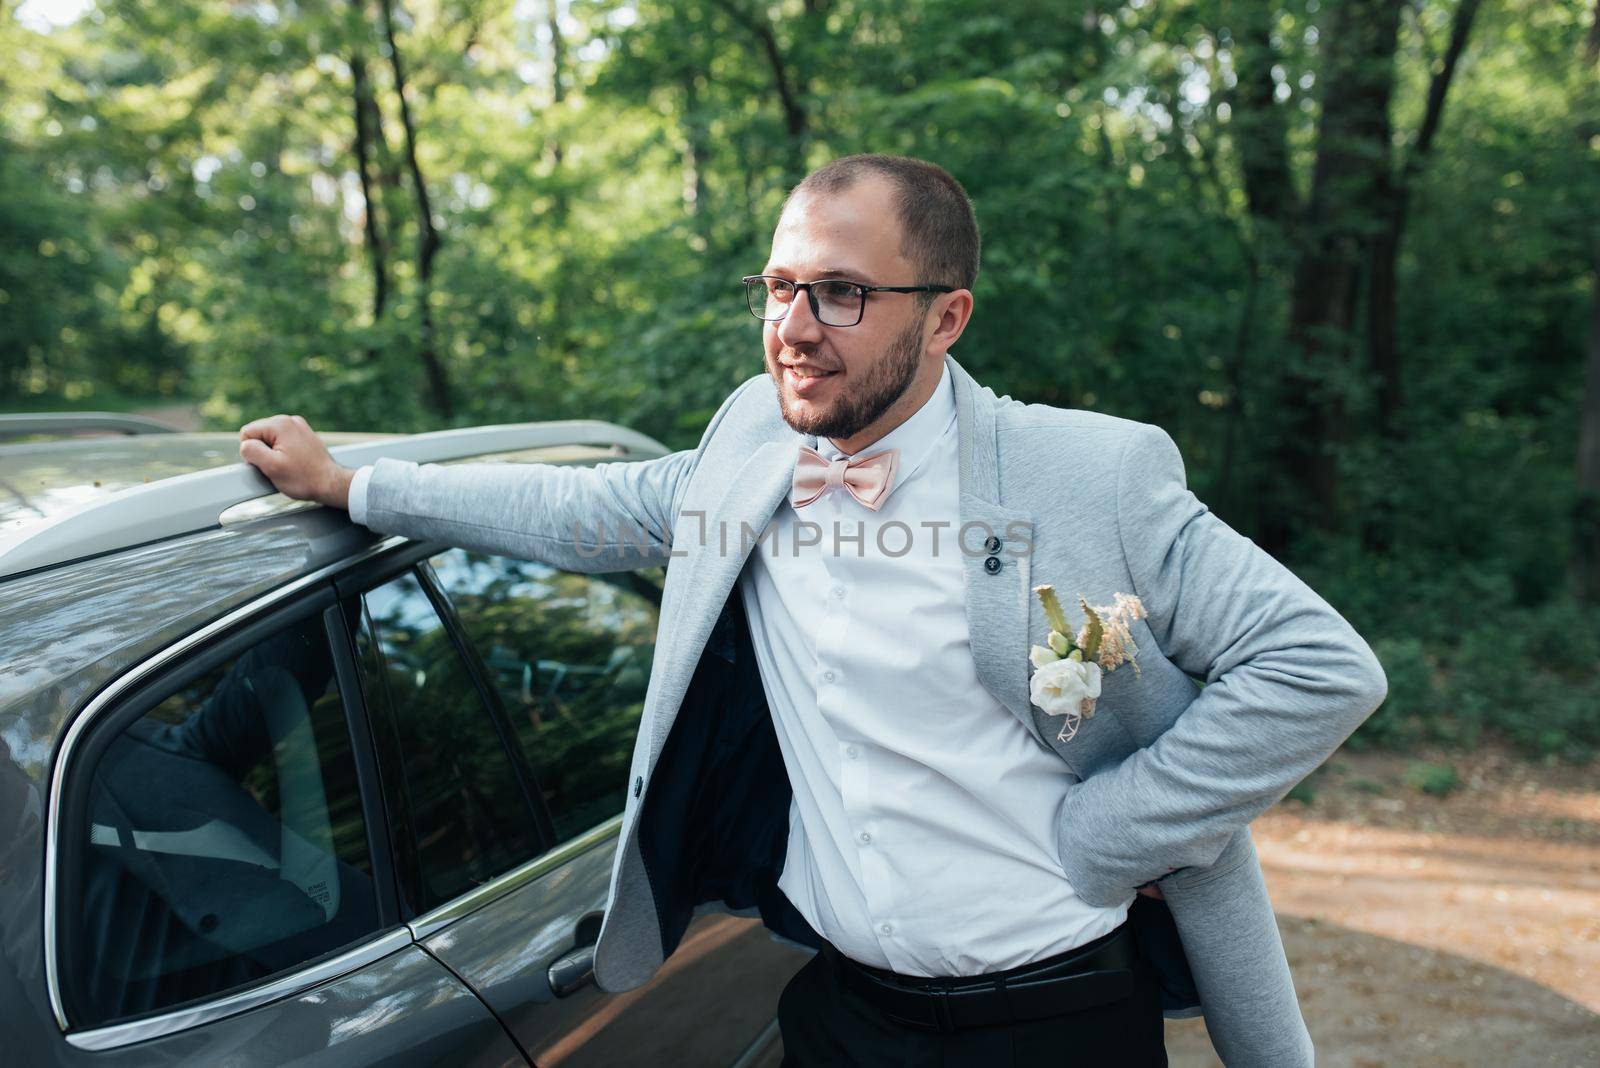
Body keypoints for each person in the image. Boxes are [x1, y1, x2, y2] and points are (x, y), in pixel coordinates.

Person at [240, 154, 1387, 1067]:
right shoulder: (753, 439)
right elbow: (583, 508)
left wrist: (1112, 831)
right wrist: (357, 486)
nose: (794, 326)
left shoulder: (1088, 475)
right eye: (780, 288)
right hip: (844, 1016)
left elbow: (1317, 668)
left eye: (842, 293)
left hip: (1058, 1018)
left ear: (945, 319)